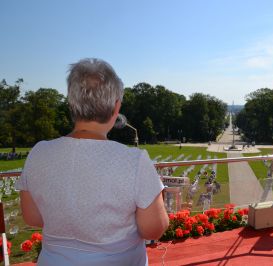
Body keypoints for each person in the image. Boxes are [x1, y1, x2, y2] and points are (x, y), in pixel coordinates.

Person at [16, 58, 169, 266]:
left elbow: (32, 217)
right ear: (116, 108)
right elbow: (153, 229)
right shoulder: (134, 160)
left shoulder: (38, 153)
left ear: (71, 103)